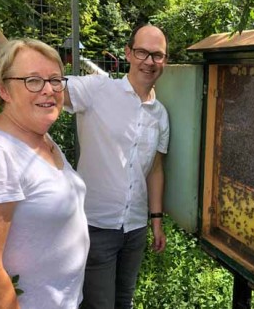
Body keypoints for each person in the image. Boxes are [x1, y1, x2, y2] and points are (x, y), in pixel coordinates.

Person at [0, 39, 89, 308]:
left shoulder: (41, 137)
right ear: (4, 90)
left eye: (55, 80)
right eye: (33, 81)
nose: (48, 90)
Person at [64, 24, 169, 309]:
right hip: (96, 224)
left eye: (157, 55)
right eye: (142, 52)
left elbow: (156, 169)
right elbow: (45, 90)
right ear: (128, 53)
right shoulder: (97, 90)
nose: (149, 61)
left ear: (165, 60)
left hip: (135, 227)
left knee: (124, 300)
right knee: (99, 304)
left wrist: (156, 222)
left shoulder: (160, 114)